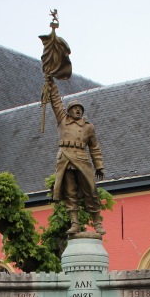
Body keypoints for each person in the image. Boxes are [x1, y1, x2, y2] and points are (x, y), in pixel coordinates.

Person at [45, 74, 105, 235]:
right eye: (74, 108)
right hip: (65, 159)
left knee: (91, 191)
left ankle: (97, 222)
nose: (78, 110)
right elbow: (56, 101)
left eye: (80, 108)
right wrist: (51, 83)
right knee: (69, 194)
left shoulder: (88, 127)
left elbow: (94, 147)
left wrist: (99, 166)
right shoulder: (62, 120)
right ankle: (75, 223)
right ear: (69, 111)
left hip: (82, 160)